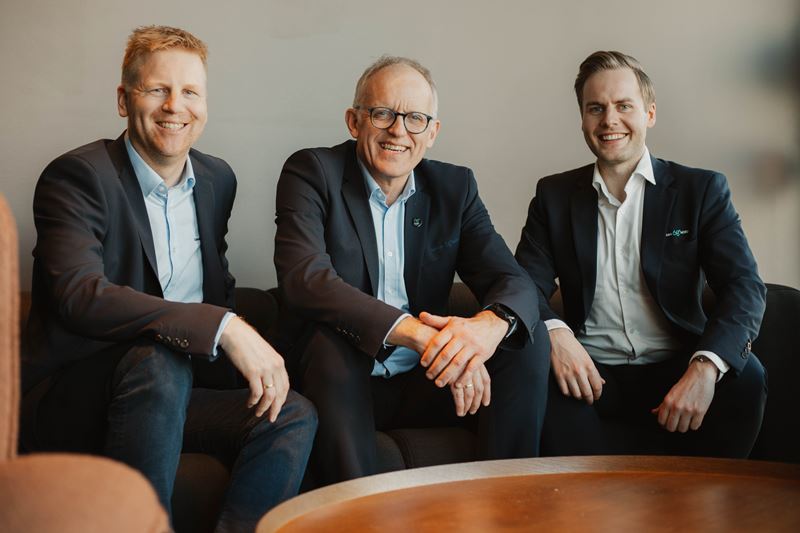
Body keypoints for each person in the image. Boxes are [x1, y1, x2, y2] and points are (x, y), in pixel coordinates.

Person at [21, 25, 316, 531]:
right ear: (124, 99)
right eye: (158, 89)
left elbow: (214, 284)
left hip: (176, 391)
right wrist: (223, 327)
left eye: (190, 92)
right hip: (80, 397)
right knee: (158, 361)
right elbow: (80, 295)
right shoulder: (76, 177)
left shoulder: (217, 179)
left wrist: (248, 344)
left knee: (288, 414)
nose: (175, 106)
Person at [273, 56, 549, 485]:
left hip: (429, 380)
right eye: (383, 114)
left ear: (432, 132)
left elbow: (512, 280)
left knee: (525, 339)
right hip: (341, 381)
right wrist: (422, 336)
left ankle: (507, 500)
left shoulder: (455, 188)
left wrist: (483, 333)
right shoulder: (312, 172)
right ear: (354, 121)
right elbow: (305, 279)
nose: (399, 131)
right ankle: (357, 509)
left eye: (416, 119)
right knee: (331, 344)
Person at [515, 50, 767, 458]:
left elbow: (744, 286)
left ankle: (712, 497)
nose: (609, 120)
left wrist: (705, 366)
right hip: (588, 373)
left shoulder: (700, 191)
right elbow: (524, 285)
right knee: (533, 372)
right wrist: (556, 336)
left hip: (677, 365)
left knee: (746, 376)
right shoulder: (553, 196)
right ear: (582, 119)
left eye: (623, 106)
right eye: (595, 108)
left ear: (649, 113)